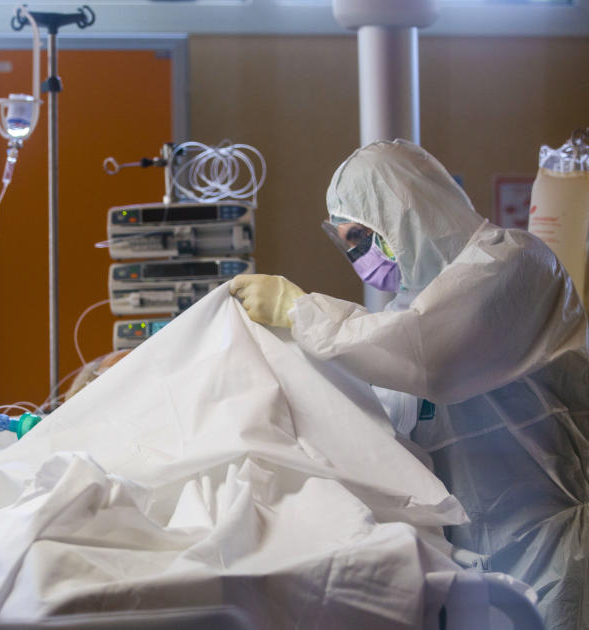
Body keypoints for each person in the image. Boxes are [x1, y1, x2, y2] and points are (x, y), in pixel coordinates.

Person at [230, 139, 589, 630]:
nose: (359, 255)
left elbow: (434, 357)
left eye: (362, 236)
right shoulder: (395, 324)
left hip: (559, 556)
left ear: (407, 211)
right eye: (347, 243)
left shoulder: (515, 264)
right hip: (479, 575)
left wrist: (297, 311)